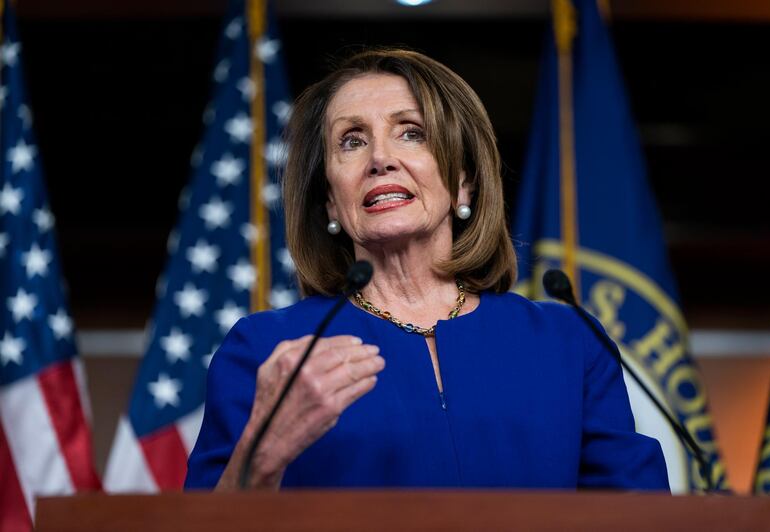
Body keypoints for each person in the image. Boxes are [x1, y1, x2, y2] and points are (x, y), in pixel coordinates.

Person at [185, 48, 669, 491]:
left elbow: (640, 516)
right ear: (330, 200)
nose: (380, 159)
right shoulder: (269, 350)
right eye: (351, 141)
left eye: (411, 132)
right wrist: (262, 455)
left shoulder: (567, 341)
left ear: (463, 183)